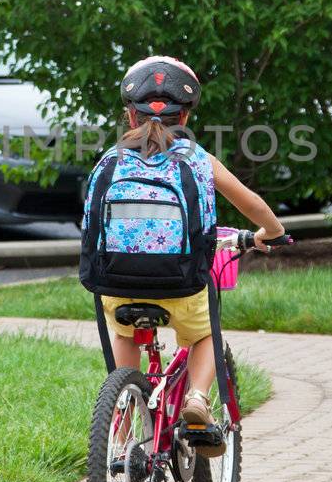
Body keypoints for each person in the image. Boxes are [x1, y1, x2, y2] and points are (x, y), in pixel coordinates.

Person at [92, 56, 286, 452]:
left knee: (123, 329)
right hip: (181, 285)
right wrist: (273, 231)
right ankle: (197, 398)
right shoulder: (197, 159)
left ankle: (127, 404)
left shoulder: (110, 161)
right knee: (204, 335)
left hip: (115, 283)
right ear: (186, 115)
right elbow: (251, 203)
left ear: (131, 116)